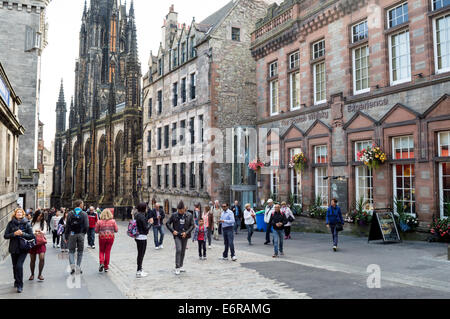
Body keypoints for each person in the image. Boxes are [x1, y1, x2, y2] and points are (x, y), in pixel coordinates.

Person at [4, 208, 34, 293]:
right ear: (15, 214)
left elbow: (32, 236)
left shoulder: (27, 223)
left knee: (19, 266)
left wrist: (23, 234)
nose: (19, 213)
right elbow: (5, 236)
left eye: (21, 212)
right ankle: (16, 280)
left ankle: (20, 285)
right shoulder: (11, 223)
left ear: (23, 214)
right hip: (13, 248)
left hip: (23, 248)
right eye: (18, 212)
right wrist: (14, 234)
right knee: (14, 266)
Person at [166, 201, 194, 275]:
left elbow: (192, 225)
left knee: (183, 251)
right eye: (178, 210)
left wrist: (186, 232)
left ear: (184, 209)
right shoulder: (174, 215)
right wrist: (173, 231)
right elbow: (167, 223)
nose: (179, 212)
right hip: (177, 235)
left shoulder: (189, 215)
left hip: (185, 235)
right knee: (179, 249)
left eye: (181, 210)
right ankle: (177, 267)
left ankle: (181, 265)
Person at [65, 200, 89, 275]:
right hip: (81, 234)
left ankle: (72, 267)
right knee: (80, 251)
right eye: (82, 204)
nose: (83, 205)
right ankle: (78, 267)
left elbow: (67, 226)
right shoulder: (84, 214)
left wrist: (66, 236)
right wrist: (84, 233)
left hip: (72, 234)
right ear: (80, 205)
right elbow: (87, 226)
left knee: (71, 251)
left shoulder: (70, 213)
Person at [95, 209, 118, 273]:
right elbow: (116, 230)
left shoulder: (99, 221)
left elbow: (96, 231)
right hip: (110, 237)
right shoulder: (113, 221)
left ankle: (101, 262)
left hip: (102, 237)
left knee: (101, 250)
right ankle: (106, 266)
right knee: (107, 251)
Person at [29, 210, 47, 281]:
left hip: (41, 242)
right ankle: (32, 274)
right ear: (36, 215)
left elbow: (45, 231)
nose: (40, 218)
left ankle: (40, 274)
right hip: (33, 242)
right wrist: (34, 233)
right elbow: (29, 231)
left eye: (41, 216)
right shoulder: (31, 222)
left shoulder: (44, 223)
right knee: (33, 259)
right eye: (39, 216)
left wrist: (40, 231)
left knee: (42, 258)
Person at [134, 202, 151, 278]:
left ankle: (140, 268)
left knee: (140, 253)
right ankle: (139, 270)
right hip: (142, 237)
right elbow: (146, 229)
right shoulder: (141, 216)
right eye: (146, 207)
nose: (147, 209)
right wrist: (151, 223)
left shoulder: (137, 215)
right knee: (141, 254)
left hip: (138, 236)